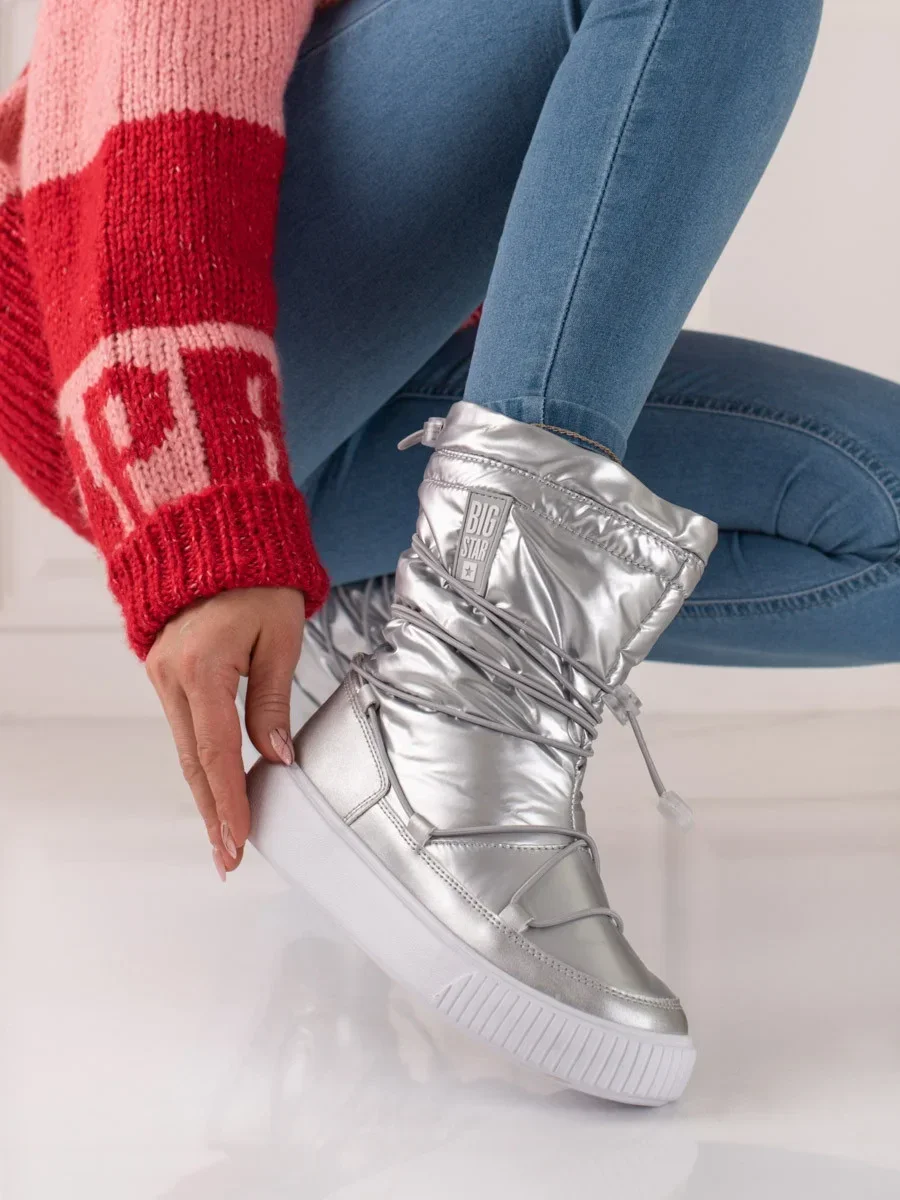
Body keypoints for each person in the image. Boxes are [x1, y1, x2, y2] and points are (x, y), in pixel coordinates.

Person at [3, 0, 897, 1102]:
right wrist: (199, 500)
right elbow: (143, 54)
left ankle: (404, 647)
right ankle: (459, 713)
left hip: (385, 379)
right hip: (129, 323)